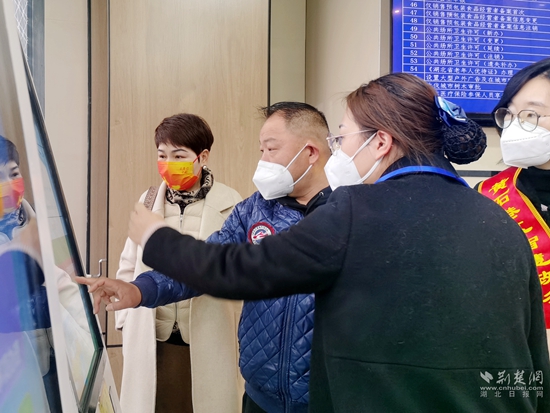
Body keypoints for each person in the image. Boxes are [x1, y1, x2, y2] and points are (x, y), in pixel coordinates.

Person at [80, 74, 550, 412]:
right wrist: (139, 289)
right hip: (268, 394)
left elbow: (237, 269)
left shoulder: (351, 211)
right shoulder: (499, 219)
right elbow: (532, 359)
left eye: (343, 139)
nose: (338, 151)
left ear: (380, 142)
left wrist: (155, 237)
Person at [103, 102, 332, 413]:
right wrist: (140, 289)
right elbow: (205, 264)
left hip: (324, 396)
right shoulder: (253, 210)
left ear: (311, 152)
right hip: (261, 395)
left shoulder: (346, 215)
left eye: (271, 149)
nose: (262, 160)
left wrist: (158, 240)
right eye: (261, 150)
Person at [114, 113, 243, 413]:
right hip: (154, 339)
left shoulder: (231, 203)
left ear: (202, 157)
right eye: (162, 155)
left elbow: (237, 270)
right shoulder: (148, 200)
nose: (169, 163)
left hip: (209, 337)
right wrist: (126, 322)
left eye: (179, 155)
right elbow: (128, 263)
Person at [476, 58, 550, 351]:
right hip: (518, 356)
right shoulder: (489, 195)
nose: (514, 125)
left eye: (531, 114)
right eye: (509, 113)